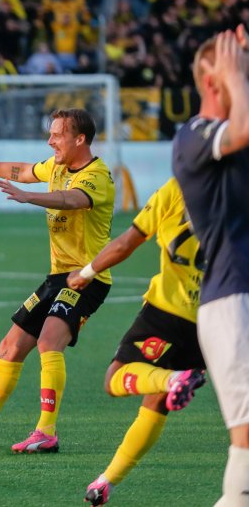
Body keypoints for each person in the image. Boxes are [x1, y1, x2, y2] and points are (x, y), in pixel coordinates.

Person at [0, 108, 115, 453]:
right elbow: (17, 170)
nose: (50, 141)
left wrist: (29, 196)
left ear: (80, 139)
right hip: (57, 277)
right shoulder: (57, 167)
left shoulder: (98, 177)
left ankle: (46, 431)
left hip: (87, 277)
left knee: (50, 342)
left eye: (57, 135)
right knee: (10, 346)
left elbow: (72, 200)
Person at [65, 177, 206, 505]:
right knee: (156, 401)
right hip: (215, 316)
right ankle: (106, 482)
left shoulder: (179, 187)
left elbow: (126, 243)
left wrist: (85, 273)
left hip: (169, 310)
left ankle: (174, 378)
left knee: (116, 377)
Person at [172, 26, 249, 505]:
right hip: (231, 301)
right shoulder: (193, 137)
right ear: (214, 83)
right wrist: (235, 71)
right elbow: (241, 128)